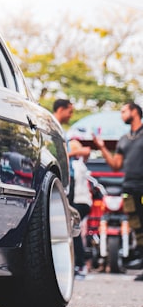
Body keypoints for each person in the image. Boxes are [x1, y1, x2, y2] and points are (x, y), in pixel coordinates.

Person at [94, 102, 143, 276]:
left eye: (124, 111)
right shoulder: (124, 139)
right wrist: (101, 147)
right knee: (137, 227)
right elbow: (116, 165)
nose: (121, 115)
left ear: (134, 112)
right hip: (129, 188)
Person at [53, 99, 93, 277]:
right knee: (66, 223)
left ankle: (74, 265)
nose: (71, 115)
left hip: (66, 182)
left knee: (68, 223)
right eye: (70, 111)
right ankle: (75, 264)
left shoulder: (63, 131)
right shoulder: (52, 129)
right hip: (58, 181)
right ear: (61, 109)